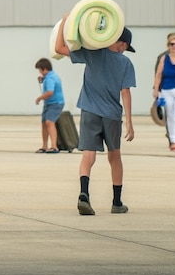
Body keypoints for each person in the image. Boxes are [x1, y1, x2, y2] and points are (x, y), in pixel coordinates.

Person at [54, 14, 137, 215]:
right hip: (112, 115)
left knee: (88, 155)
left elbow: (58, 49)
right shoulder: (126, 63)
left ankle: (84, 194)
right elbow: (125, 93)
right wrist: (129, 123)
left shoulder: (93, 54)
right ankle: (117, 202)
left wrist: (64, 23)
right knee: (114, 156)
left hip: (89, 111)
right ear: (122, 43)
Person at [155, 33, 175, 151]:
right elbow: (158, 75)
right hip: (166, 90)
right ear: (168, 45)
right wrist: (156, 90)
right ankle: (172, 139)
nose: (174, 47)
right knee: (170, 116)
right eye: (172, 44)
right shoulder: (164, 58)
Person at [35, 59, 65, 151]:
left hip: (55, 103)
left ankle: (54, 146)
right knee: (44, 123)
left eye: (40, 70)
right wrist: (43, 79)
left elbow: (50, 92)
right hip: (49, 103)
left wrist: (39, 98)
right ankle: (44, 146)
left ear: (44, 69)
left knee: (49, 122)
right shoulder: (50, 76)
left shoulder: (50, 78)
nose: (40, 72)